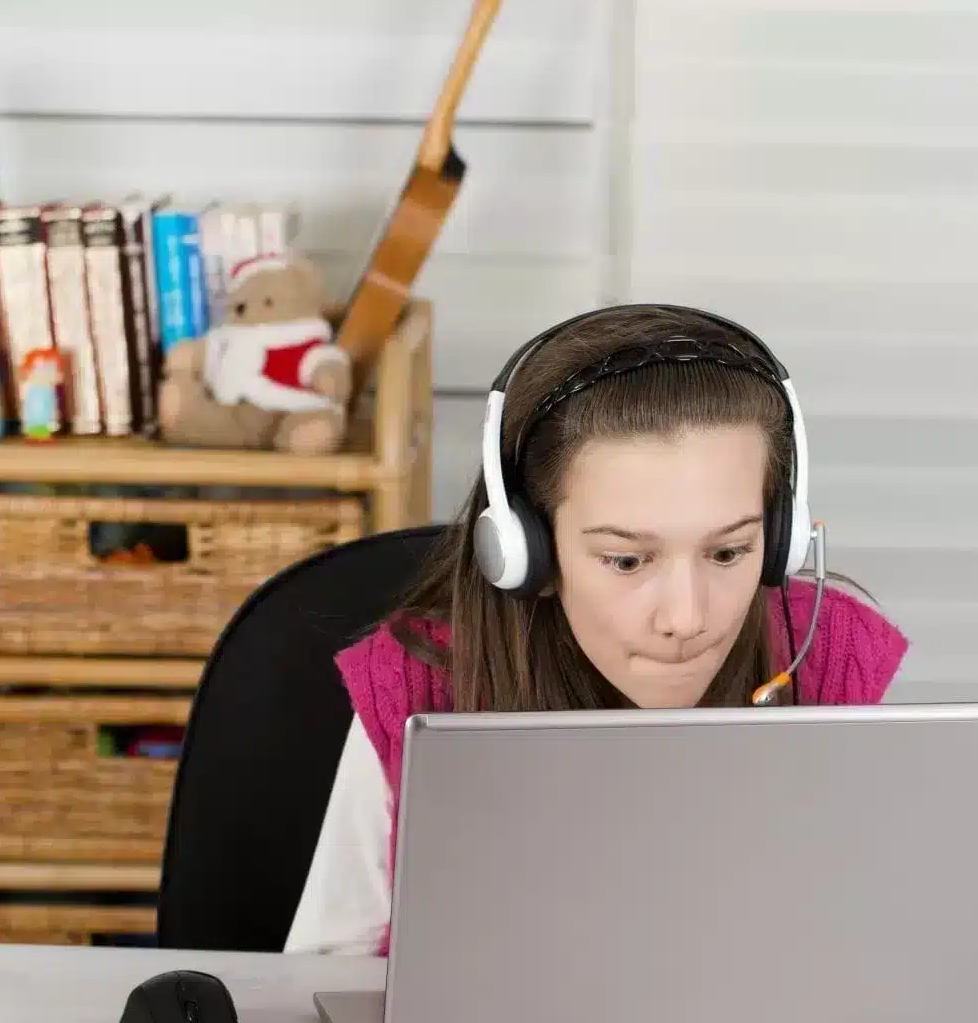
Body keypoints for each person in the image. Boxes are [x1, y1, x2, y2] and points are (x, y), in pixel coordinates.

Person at [284, 304, 910, 955]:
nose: (686, 619)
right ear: (530, 553)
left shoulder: (827, 654)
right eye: (627, 561)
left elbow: (867, 943)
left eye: (728, 553)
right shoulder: (417, 681)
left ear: (779, 541)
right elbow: (325, 976)